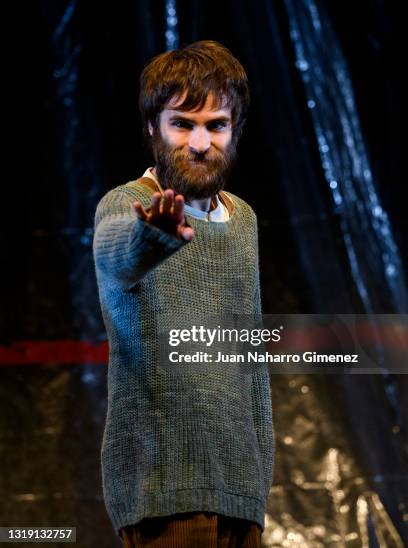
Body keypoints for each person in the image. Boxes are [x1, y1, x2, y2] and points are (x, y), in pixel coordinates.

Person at [92, 40, 275, 547]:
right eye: (182, 123)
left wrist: (258, 482)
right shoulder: (129, 203)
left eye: (216, 125)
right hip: (162, 489)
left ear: (234, 129)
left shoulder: (243, 220)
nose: (200, 143)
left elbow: (250, 359)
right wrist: (151, 237)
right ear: (153, 126)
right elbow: (114, 254)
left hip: (241, 493)